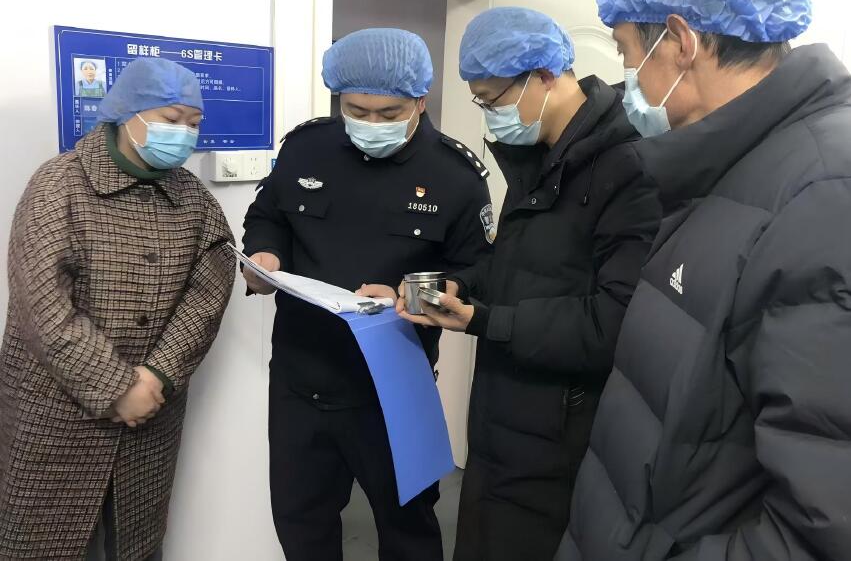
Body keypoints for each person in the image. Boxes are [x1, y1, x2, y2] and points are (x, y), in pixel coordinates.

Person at [557, 0, 851, 561]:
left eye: (628, 55)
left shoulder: (835, 197)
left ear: (679, 42)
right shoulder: (737, 168)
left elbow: (841, 528)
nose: (626, 81)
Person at [397, 7, 660, 561]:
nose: (490, 117)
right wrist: (453, 285)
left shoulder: (627, 165)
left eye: (492, 100)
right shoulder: (539, 155)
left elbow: (618, 321)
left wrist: (487, 321)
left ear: (543, 75)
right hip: (505, 418)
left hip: (564, 436)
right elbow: (516, 266)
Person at [242, 27, 493, 561]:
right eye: (357, 110)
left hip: (393, 384)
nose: (371, 124)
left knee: (409, 527)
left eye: (389, 113)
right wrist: (265, 256)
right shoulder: (306, 147)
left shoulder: (454, 175)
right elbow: (267, 216)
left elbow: (478, 270)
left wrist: (410, 295)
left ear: (420, 102)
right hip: (300, 378)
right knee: (300, 519)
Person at [0, 57, 235, 560]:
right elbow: (41, 303)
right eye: (171, 120)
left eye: (193, 124)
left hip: (152, 408)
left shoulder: (194, 198)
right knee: (44, 541)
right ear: (129, 112)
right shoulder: (59, 184)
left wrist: (158, 375)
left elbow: (209, 292)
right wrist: (117, 387)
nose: (184, 134)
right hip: (56, 408)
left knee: (135, 541)